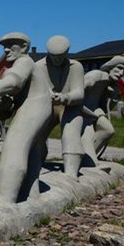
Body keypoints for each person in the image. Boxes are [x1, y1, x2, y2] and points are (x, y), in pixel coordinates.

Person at [0, 33, 53, 202]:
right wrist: (4, 106)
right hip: (38, 106)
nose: (6, 50)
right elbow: (5, 111)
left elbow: (14, 81)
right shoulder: (19, 65)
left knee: (15, 145)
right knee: (31, 151)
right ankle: (31, 192)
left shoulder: (24, 61)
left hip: (36, 105)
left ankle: (6, 198)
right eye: (4, 47)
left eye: (11, 45)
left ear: (23, 47)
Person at [36, 35, 85, 178]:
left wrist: (65, 97)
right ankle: (35, 165)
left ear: (67, 53)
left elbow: (79, 92)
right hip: (47, 106)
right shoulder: (39, 66)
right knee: (37, 135)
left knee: (71, 134)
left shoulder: (76, 67)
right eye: (53, 56)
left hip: (70, 106)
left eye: (60, 56)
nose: (56, 59)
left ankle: (71, 174)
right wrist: (48, 94)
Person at [81, 56, 124, 166]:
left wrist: (114, 96)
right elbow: (80, 88)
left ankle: (87, 158)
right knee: (87, 134)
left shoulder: (110, 84)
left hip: (95, 109)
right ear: (111, 66)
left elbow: (106, 107)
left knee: (108, 130)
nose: (121, 73)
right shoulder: (97, 75)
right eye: (119, 68)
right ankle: (88, 160)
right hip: (82, 108)